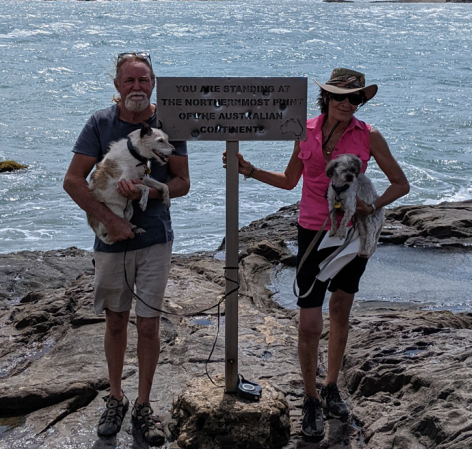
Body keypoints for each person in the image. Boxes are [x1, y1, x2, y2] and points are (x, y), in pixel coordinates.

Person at [225, 68, 408, 438]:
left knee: (341, 310)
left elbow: (400, 184)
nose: (346, 103)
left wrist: (370, 207)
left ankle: (331, 385)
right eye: (339, 96)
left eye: (354, 98)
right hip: (311, 233)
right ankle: (309, 398)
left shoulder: (370, 136)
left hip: (351, 238)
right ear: (325, 97)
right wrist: (250, 170)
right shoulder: (304, 130)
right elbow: (291, 180)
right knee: (309, 322)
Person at [63, 52, 190, 446]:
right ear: (117, 85)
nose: (137, 87)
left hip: (155, 240)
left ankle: (145, 405)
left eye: (144, 80)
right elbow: (73, 181)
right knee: (116, 320)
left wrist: (156, 190)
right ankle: (115, 398)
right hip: (110, 238)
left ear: (153, 83)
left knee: (149, 324)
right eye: (129, 81)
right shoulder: (100, 123)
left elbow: (183, 182)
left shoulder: (169, 125)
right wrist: (113, 221)